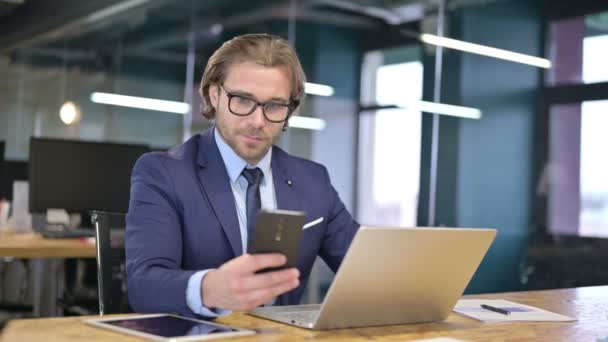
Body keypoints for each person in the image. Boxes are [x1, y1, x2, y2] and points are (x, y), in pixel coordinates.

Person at [126, 33, 359, 318]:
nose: (257, 121)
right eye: (242, 100)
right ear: (215, 95)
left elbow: (364, 270)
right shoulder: (163, 173)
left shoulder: (313, 180)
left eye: (274, 106)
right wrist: (207, 289)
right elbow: (143, 286)